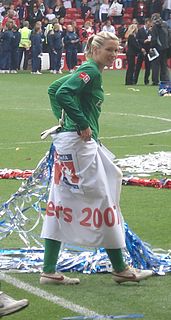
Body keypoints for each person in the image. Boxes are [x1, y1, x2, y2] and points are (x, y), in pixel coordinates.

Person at [40, 31, 153, 285]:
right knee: (105, 201)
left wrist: (64, 122)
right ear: (95, 49)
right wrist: (78, 122)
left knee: (60, 203)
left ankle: (49, 270)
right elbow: (61, 93)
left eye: (116, 50)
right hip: (80, 146)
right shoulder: (90, 71)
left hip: (69, 144)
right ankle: (121, 269)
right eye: (109, 50)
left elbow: (54, 88)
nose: (114, 55)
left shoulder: (89, 70)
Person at [150, 13, 170, 85]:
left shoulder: (155, 27)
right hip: (165, 48)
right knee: (164, 65)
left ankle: (155, 81)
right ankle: (164, 80)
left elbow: (154, 39)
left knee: (155, 65)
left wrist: (151, 47)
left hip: (157, 48)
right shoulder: (165, 25)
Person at [134, 18, 152, 85]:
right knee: (138, 66)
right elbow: (137, 40)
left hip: (148, 51)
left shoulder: (151, 31)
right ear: (146, 22)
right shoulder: (140, 30)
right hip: (141, 50)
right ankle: (134, 80)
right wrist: (143, 42)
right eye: (149, 23)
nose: (150, 24)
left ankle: (146, 81)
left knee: (148, 67)